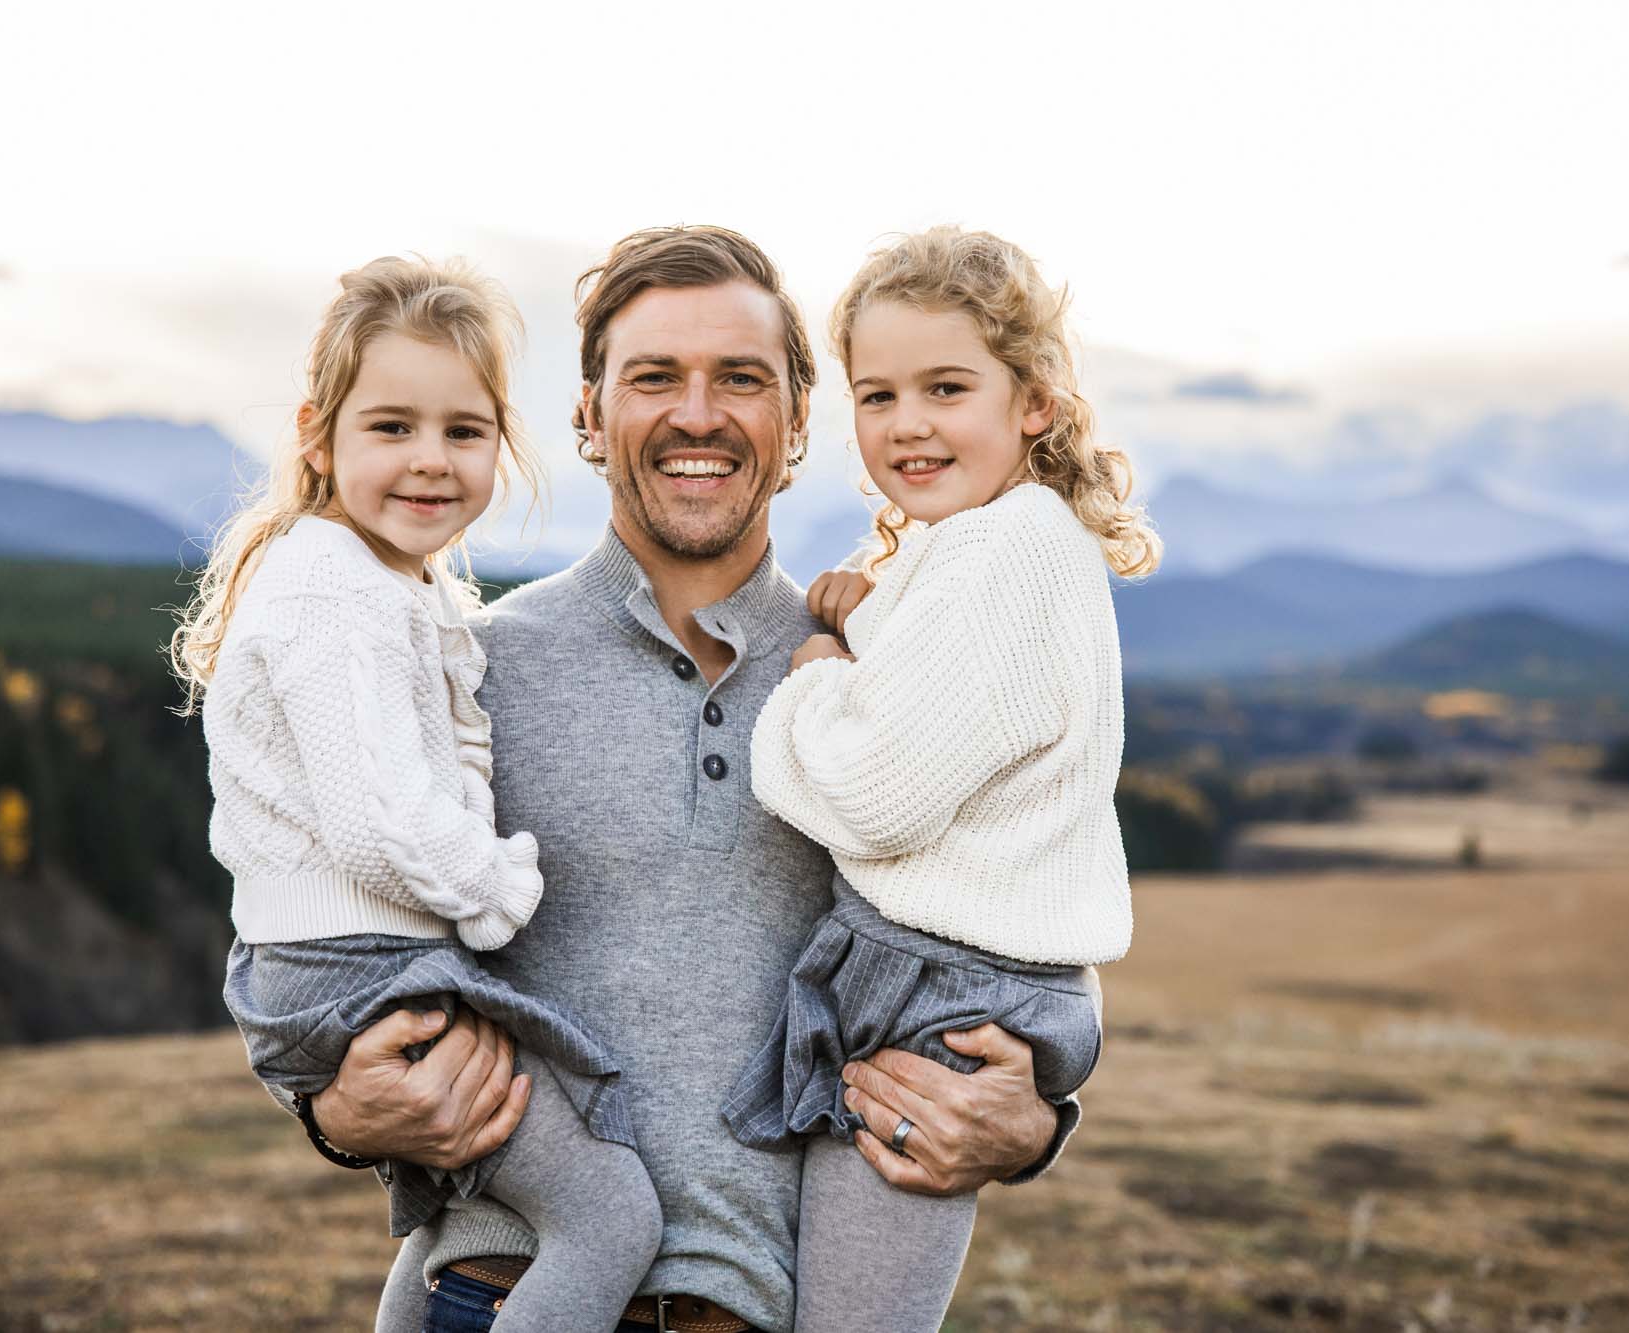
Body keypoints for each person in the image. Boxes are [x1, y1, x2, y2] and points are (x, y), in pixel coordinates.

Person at [303, 227, 1090, 1333]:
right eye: (654, 377)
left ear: (798, 419)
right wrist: (332, 1104)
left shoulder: (888, 676)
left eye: (741, 379)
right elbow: (327, 933)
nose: (698, 414)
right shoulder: (467, 666)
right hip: (494, 1293)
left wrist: (1035, 1122)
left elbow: (1021, 910)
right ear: (588, 412)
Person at [173, 256, 664, 1332]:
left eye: (463, 431)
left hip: (350, 963)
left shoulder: (393, 581)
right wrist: (495, 891)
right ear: (319, 434)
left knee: (462, 1217)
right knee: (607, 1216)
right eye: (390, 426)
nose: (430, 462)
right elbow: (375, 817)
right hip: (358, 967)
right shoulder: (331, 588)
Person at [722, 226, 1162, 1331]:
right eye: (877, 396)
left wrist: (813, 675)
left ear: (1035, 404)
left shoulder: (1002, 551)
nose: (906, 423)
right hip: (951, 979)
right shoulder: (992, 541)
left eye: (945, 387)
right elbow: (959, 699)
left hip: (938, 1001)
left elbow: (874, 793)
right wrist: (866, 616)